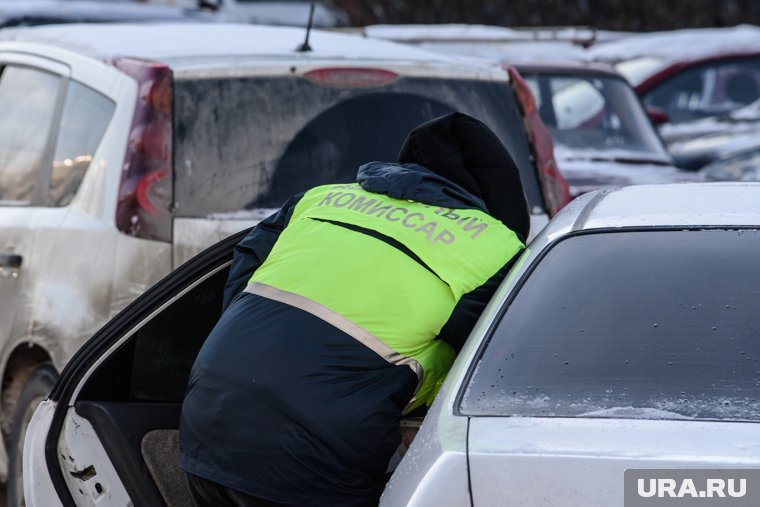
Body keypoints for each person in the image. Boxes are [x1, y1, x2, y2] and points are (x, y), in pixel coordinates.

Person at [179, 112, 530, 507]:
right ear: (503, 192)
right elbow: (497, 366)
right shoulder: (491, 247)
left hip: (207, 417)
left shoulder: (320, 198)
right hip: (318, 453)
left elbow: (244, 271)